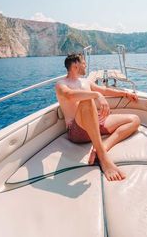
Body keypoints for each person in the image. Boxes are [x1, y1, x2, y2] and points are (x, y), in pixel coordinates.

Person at [55, 53, 140, 181]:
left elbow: (104, 91)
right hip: (77, 129)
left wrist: (125, 94)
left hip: (96, 121)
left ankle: (100, 147)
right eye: (84, 63)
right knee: (87, 101)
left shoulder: (86, 81)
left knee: (134, 119)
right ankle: (103, 156)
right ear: (76, 65)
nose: (86, 65)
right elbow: (69, 95)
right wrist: (95, 95)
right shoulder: (61, 84)